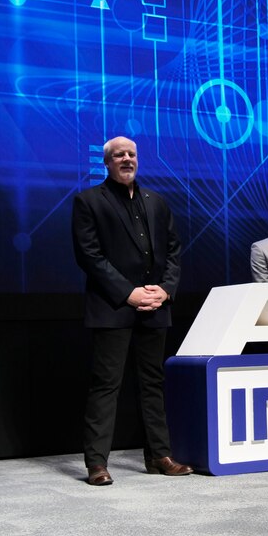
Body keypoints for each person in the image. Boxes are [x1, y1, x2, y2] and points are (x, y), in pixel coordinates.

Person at [71, 136, 192, 486]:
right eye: (119, 155)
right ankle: (96, 463)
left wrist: (165, 290)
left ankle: (159, 455)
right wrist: (129, 293)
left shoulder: (157, 201)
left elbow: (173, 251)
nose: (127, 159)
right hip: (113, 307)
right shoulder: (89, 201)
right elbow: (89, 256)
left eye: (132, 154)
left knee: (153, 383)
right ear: (106, 162)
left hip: (155, 307)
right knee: (106, 385)